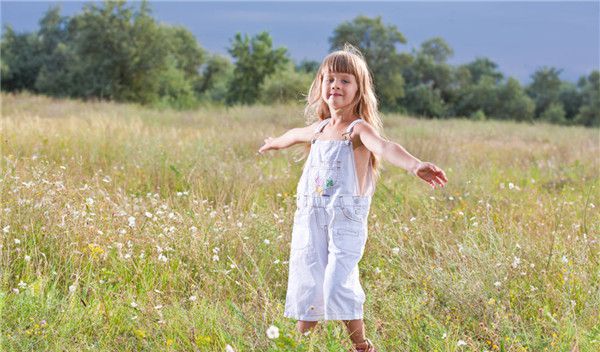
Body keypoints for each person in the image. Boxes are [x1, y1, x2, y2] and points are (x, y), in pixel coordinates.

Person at [258, 44, 448, 352]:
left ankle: (361, 345)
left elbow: (385, 147)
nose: (336, 85)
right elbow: (293, 134)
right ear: (321, 85)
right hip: (312, 219)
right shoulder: (320, 129)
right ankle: (296, 345)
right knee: (310, 282)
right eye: (329, 79)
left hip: (344, 222)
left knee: (336, 283)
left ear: (359, 90)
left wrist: (415, 166)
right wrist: (274, 143)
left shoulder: (357, 129)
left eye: (345, 80)